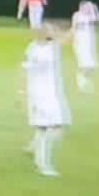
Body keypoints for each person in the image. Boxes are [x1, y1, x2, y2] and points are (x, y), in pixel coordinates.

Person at [20, 22, 70, 178]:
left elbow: (68, 38)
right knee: (45, 128)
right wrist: (21, 92)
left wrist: (75, 24)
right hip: (38, 94)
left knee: (57, 128)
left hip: (53, 95)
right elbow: (23, 70)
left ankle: (37, 151)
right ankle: (43, 164)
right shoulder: (32, 49)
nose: (52, 32)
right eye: (49, 29)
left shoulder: (54, 47)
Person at [71, 0, 99, 94]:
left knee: (92, 66)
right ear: (81, 7)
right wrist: (73, 39)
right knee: (84, 64)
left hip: (89, 44)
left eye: (88, 8)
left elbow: (97, 20)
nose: (87, 9)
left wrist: (95, 9)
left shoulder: (89, 16)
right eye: (86, 7)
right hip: (80, 44)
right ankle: (80, 82)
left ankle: (83, 79)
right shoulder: (77, 15)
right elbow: (73, 27)